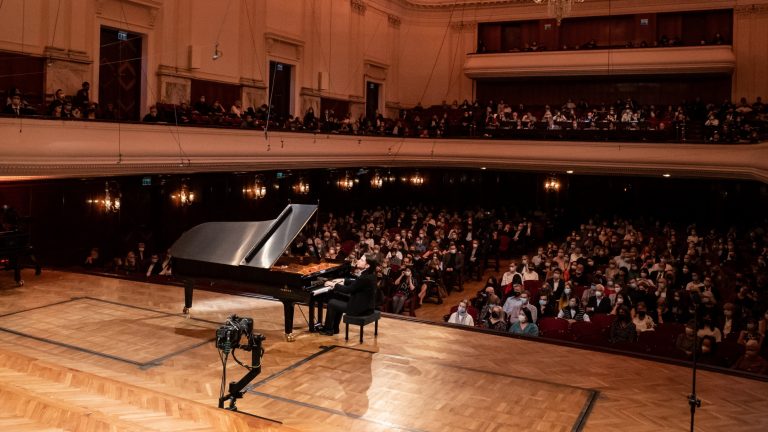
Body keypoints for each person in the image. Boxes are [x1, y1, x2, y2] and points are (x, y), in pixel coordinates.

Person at [319, 256, 377, 335]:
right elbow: (356, 284)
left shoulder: (364, 278)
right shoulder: (370, 275)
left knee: (332, 303)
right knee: (337, 296)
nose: (358, 260)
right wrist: (343, 280)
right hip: (365, 306)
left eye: (362, 260)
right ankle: (335, 328)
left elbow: (348, 290)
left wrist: (333, 284)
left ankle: (328, 330)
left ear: (367, 266)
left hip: (359, 309)